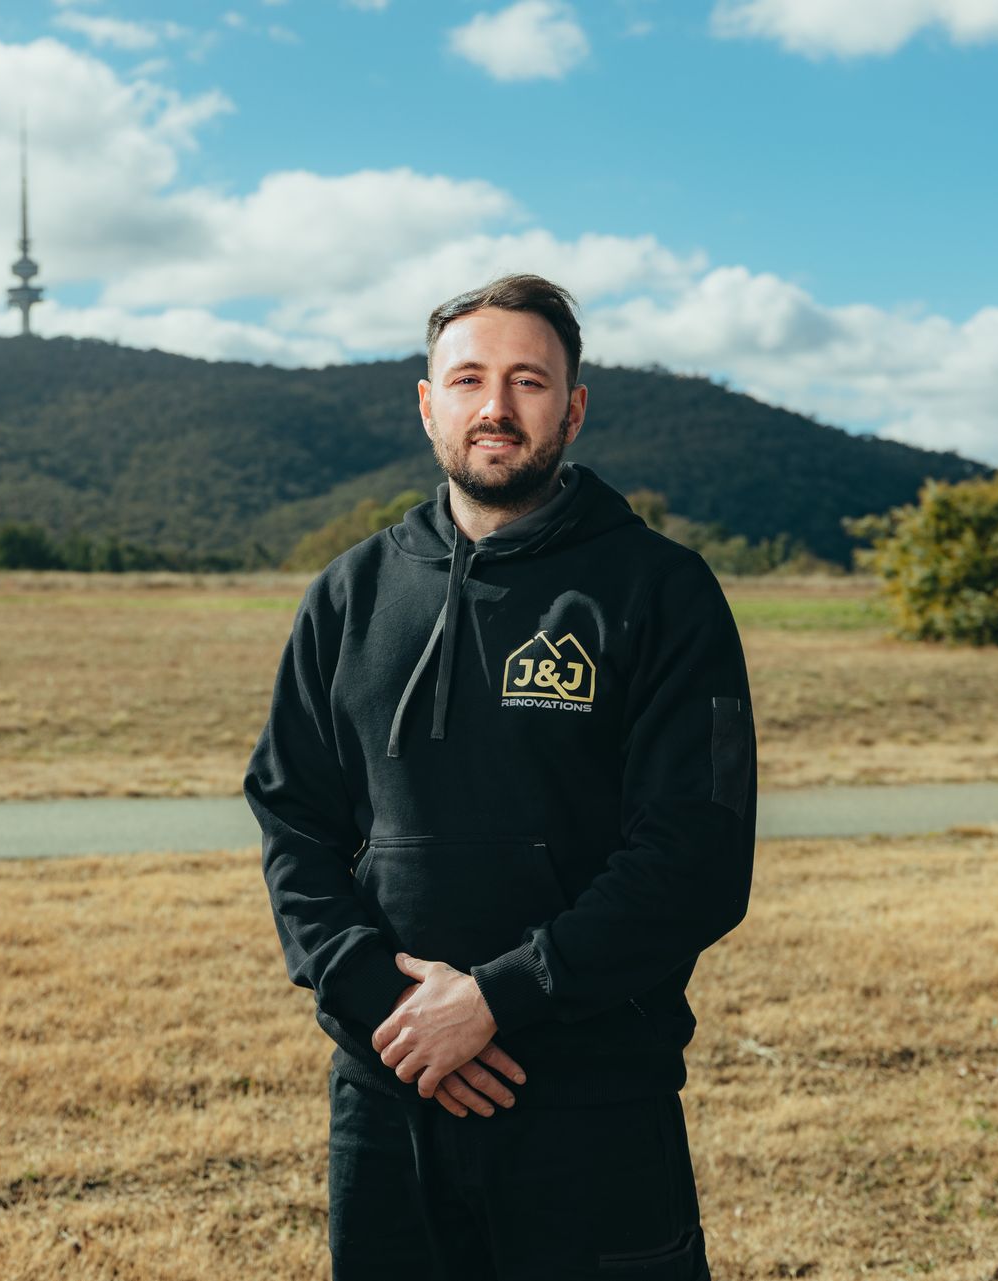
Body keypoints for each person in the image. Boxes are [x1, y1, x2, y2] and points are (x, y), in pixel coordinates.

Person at [245, 274, 757, 1280]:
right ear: (427, 401)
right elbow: (292, 819)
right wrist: (381, 1002)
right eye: (469, 379)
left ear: (572, 408)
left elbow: (692, 856)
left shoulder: (661, 591)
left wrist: (495, 999)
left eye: (529, 381)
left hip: (590, 1101)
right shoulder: (348, 595)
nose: (496, 407)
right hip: (390, 1097)